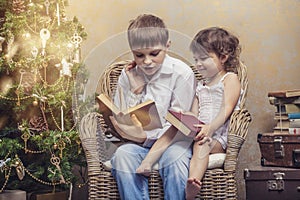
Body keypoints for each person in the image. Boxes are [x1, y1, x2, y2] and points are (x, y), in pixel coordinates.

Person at [136, 27, 243, 200]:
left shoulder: (230, 79)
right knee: (172, 129)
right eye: (196, 59)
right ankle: (148, 162)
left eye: (204, 59)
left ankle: (193, 182)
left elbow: (227, 108)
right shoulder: (201, 85)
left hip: (217, 137)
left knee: (203, 143)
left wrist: (209, 128)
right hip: (200, 130)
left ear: (223, 58)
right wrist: (182, 120)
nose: (198, 64)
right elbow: (194, 113)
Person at [109, 14, 196, 200]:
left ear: (167, 46)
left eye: (154, 54)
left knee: (175, 160)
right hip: (140, 145)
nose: (147, 61)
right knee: (122, 155)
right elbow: (121, 115)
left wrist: (146, 136)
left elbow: (178, 125)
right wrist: (135, 89)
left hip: (173, 143)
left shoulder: (182, 74)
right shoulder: (128, 74)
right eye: (139, 55)